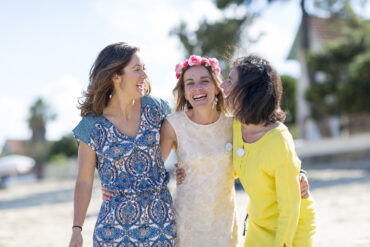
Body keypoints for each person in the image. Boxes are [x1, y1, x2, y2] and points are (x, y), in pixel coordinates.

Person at [68, 42, 176, 247]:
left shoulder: (157, 108)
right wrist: (77, 230)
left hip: (160, 224)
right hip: (113, 231)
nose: (144, 76)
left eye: (145, 69)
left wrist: (181, 169)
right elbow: (84, 180)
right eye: (137, 70)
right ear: (115, 77)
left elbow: (176, 141)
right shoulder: (91, 126)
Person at [221, 55, 316, 247]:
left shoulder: (279, 141)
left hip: (293, 224)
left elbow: (290, 207)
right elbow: (238, 168)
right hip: (259, 222)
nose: (223, 85)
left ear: (248, 92)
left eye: (230, 81)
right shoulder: (235, 125)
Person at [160, 55, 239, 246]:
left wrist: (299, 174)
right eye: (190, 83)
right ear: (185, 92)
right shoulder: (173, 124)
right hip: (187, 222)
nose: (198, 88)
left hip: (224, 222)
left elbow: (260, 151)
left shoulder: (234, 123)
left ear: (216, 87)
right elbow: (152, 170)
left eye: (205, 81)